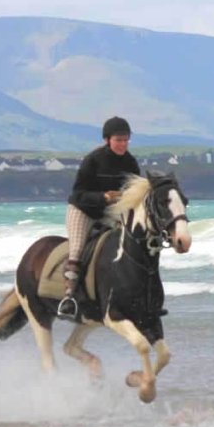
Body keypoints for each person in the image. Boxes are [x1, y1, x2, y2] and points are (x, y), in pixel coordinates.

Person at [58, 116, 141, 320]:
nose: (122, 144)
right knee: (77, 248)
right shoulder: (93, 160)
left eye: (125, 140)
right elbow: (78, 194)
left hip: (110, 213)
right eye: (118, 140)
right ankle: (68, 297)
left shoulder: (130, 162)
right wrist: (102, 197)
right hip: (83, 210)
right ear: (107, 140)